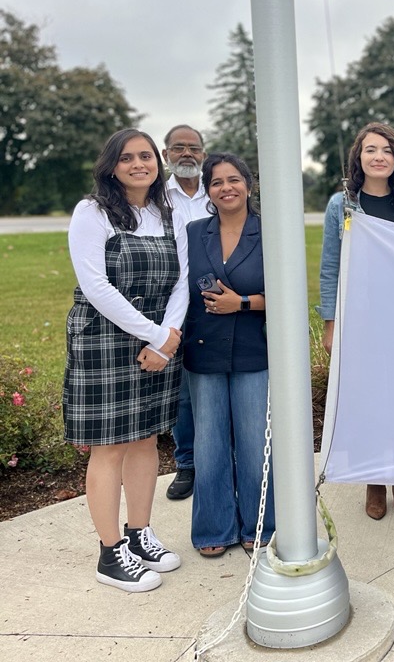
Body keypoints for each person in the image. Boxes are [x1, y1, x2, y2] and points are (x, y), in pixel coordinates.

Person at [63, 128, 187, 592]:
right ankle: (110, 553)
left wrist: (165, 342)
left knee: (145, 439)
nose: (139, 164)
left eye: (147, 156)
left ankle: (139, 534)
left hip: (157, 342)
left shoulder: (167, 212)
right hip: (104, 338)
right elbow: (96, 288)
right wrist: (156, 336)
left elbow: (183, 280)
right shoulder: (92, 212)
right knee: (109, 445)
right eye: (128, 157)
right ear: (111, 166)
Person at [318, 122, 394, 521]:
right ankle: (374, 480)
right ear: (358, 158)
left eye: (387, 150)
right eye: (370, 150)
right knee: (367, 399)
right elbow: (329, 267)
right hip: (358, 317)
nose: (379, 156)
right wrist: (330, 322)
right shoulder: (340, 204)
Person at [183, 153, 274, 557]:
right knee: (209, 445)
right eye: (217, 182)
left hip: (254, 352)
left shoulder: (269, 231)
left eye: (234, 179)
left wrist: (242, 303)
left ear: (249, 185)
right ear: (208, 190)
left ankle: (262, 525)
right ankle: (214, 528)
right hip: (203, 351)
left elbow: (289, 294)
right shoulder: (192, 232)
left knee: (256, 444)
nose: (226, 188)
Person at [162, 124, 210, 502]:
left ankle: (220, 459)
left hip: (217, 299)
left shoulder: (220, 190)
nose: (187, 154)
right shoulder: (156, 197)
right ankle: (188, 463)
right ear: (166, 155)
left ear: (204, 154)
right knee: (181, 392)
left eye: (193, 148)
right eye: (178, 148)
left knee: (215, 380)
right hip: (172, 302)